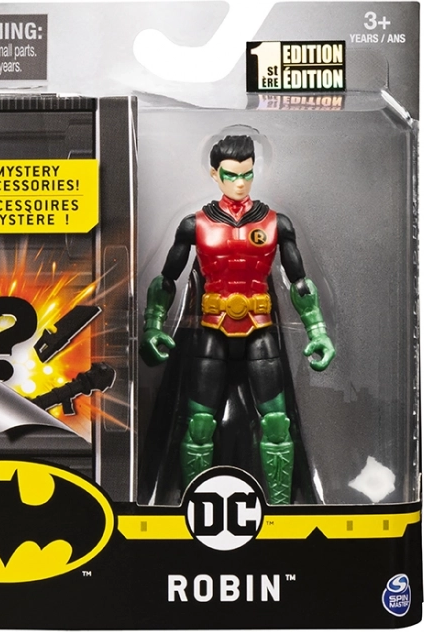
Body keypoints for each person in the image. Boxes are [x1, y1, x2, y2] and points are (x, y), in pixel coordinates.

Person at [139, 135, 335, 504]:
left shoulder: (277, 223)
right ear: (215, 174)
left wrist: (318, 331)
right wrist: (153, 325)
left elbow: (300, 282)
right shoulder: (194, 224)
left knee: (276, 424)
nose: (240, 183)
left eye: (247, 174)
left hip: (260, 328)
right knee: (199, 425)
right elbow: (167, 279)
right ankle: (195, 506)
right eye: (231, 175)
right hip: (211, 330)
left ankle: (281, 511)